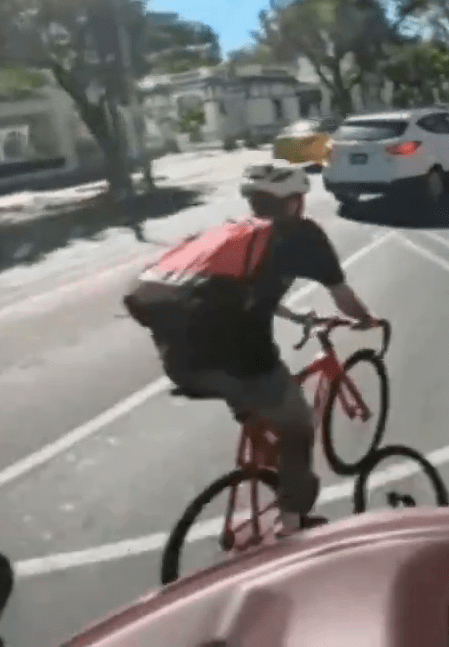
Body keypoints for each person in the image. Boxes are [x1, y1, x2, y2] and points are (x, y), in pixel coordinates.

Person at [156, 161, 380, 536]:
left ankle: (264, 454)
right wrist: (366, 319)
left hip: (181, 361)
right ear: (294, 203)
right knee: (298, 425)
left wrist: (291, 315)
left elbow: (242, 291)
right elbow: (342, 296)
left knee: (258, 405)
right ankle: (291, 526)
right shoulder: (304, 236)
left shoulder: (235, 234)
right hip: (241, 361)